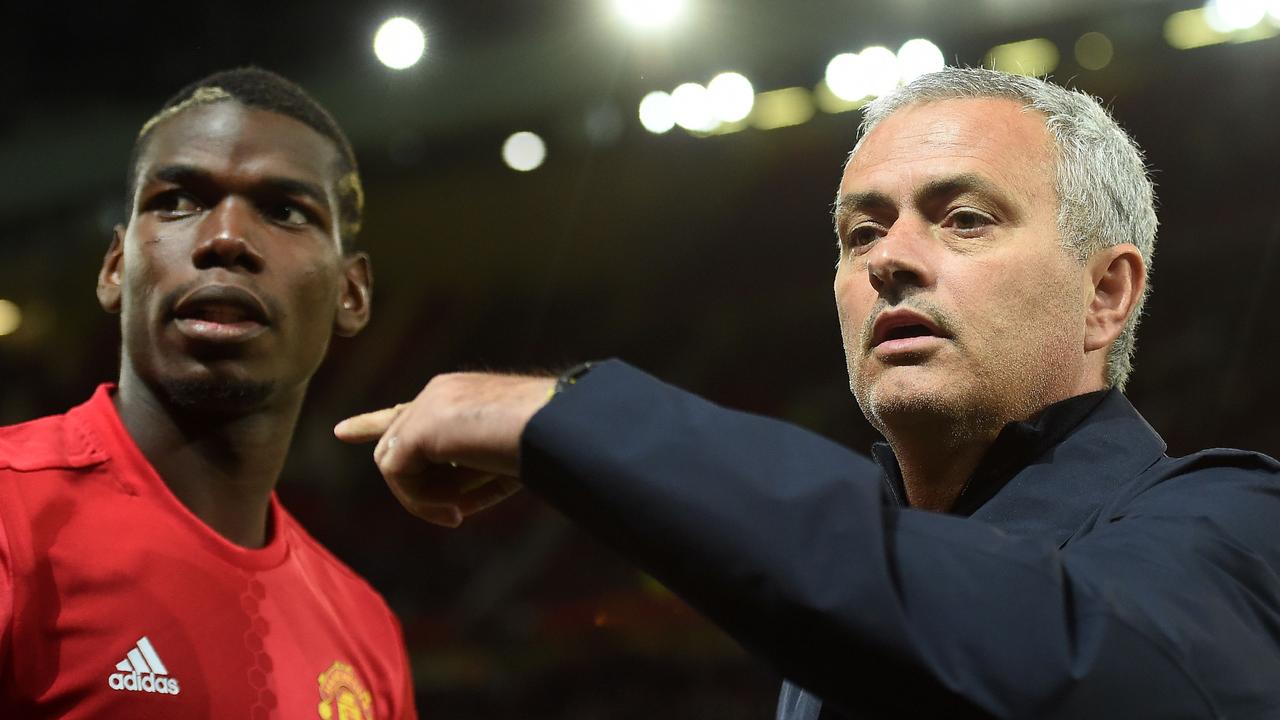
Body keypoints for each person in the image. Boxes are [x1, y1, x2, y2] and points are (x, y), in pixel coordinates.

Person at [337, 66, 1280, 718]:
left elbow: (1044, 653)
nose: (890, 261)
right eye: (860, 232)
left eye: (962, 218)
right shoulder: (844, 589)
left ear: (1104, 293)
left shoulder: (1234, 527)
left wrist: (570, 419)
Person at [0, 68, 416, 719]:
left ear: (351, 293)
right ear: (115, 268)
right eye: (177, 201)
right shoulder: (10, 516)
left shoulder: (367, 634)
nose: (225, 238)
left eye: (284, 210)